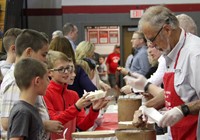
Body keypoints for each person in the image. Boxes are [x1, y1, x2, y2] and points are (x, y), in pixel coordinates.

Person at [125, 5, 200, 140]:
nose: (152, 46)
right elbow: (172, 93)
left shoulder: (195, 54)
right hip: (176, 133)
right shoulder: (170, 52)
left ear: (166, 30)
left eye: (152, 40)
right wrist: (146, 108)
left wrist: (183, 110)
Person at [0, 29, 63, 139]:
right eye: (43, 55)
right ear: (29, 52)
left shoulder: (28, 76)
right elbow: (6, 122)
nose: (45, 60)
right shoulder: (16, 80)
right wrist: (45, 124)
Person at [44, 50, 109, 140]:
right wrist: (76, 107)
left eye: (68, 68)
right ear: (50, 72)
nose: (66, 72)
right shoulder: (45, 93)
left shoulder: (73, 95)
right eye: (61, 69)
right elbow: (55, 123)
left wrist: (94, 110)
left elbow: (83, 126)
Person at [7, 58, 49, 140]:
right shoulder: (23, 112)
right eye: (47, 78)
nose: (49, 82)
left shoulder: (29, 109)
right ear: (37, 81)